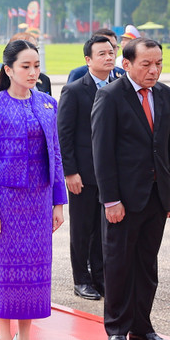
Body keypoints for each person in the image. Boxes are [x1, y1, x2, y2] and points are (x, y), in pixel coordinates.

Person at [0, 40, 66, 340]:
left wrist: (59, 201)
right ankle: (3, 337)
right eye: (25, 66)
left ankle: (25, 339)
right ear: (8, 69)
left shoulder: (47, 104)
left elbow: (55, 153)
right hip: (6, 200)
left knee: (35, 274)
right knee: (5, 273)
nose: (32, 72)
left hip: (39, 199)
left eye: (36, 66)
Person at [92, 38, 170, 340]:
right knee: (118, 265)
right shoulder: (110, 97)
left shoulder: (166, 96)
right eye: (146, 64)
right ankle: (117, 329)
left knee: (147, 266)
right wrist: (110, 200)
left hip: (156, 198)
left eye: (158, 63)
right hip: (123, 201)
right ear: (127, 64)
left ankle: (142, 328)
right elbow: (102, 153)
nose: (154, 70)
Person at [57, 34, 117, 301]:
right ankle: (81, 279)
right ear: (88, 60)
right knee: (82, 229)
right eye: (102, 54)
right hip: (82, 172)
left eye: (111, 52)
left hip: (111, 173)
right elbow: (64, 134)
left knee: (104, 228)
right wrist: (70, 171)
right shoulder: (74, 90)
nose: (108, 57)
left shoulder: (120, 85)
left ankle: (100, 277)